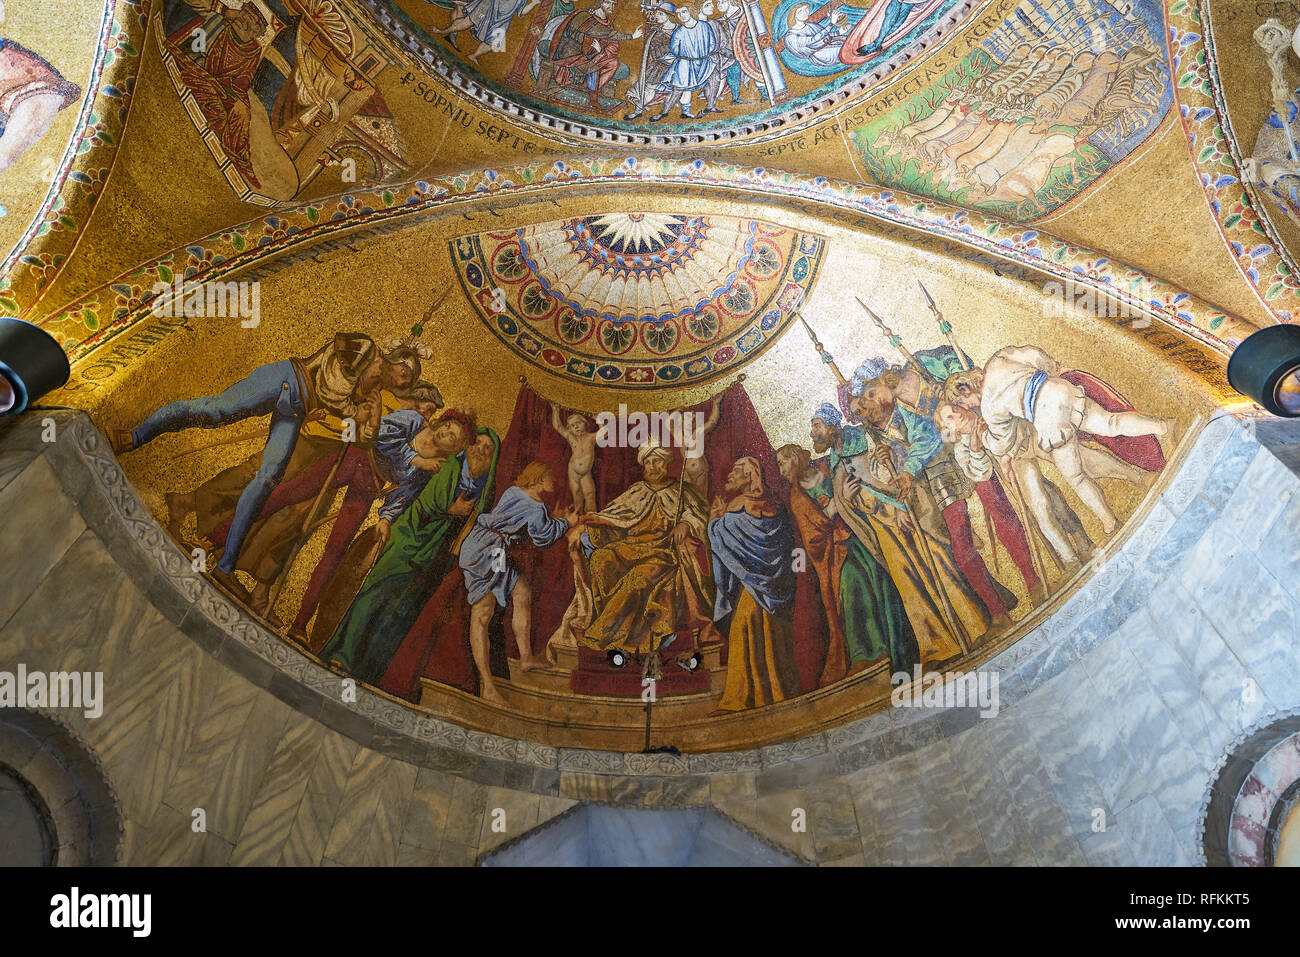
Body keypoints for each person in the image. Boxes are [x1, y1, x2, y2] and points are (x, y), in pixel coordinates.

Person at [112, 334, 418, 586]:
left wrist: (372, 417)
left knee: (266, 480)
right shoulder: (365, 348)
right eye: (406, 374)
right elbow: (330, 385)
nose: (403, 382)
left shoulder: (375, 396)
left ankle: (225, 565)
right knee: (213, 410)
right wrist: (353, 411)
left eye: (408, 382)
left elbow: (363, 439)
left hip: (295, 410)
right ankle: (134, 437)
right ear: (396, 362)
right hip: (285, 379)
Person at [321, 424, 499, 684]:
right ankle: (342, 654)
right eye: (478, 444)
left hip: (431, 561)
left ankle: (367, 670)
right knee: (373, 597)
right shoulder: (447, 466)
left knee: (398, 612)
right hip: (407, 542)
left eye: (488, 449)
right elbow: (426, 502)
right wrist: (451, 509)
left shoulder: (483, 490)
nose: (481, 451)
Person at [810, 403, 986, 664]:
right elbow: (846, 497)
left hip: (902, 512)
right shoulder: (835, 460)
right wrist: (846, 499)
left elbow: (896, 462)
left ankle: (973, 627)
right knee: (909, 585)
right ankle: (939, 647)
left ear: (832, 423)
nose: (813, 433)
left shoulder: (863, 436)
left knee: (937, 564)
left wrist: (902, 504)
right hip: (879, 526)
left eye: (817, 425)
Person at [950, 345, 1171, 535]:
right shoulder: (997, 359)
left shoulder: (989, 406)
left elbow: (1002, 443)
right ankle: (1163, 427)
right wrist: (1052, 369)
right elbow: (1034, 355)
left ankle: (1110, 523)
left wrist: (983, 436)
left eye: (964, 401)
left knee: (1076, 477)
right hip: (1058, 389)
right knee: (1110, 423)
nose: (968, 406)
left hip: (1048, 418)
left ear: (966, 389)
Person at [554, 441, 715, 669]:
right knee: (601, 560)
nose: (652, 466)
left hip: (660, 553)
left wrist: (685, 524)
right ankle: (606, 622)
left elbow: (698, 513)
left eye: (657, 460)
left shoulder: (680, 491)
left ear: (667, 462)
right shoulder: (637, 491)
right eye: (648, 462)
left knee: (637, 579)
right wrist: (586, 527)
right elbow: (613, 517)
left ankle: (599, 633)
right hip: (629, 548)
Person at [776, 443, 918, 683]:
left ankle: (902, 656)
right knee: (852, 585)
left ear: (797, 457)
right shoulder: (797, 496)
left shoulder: (828, 468)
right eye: (778, 465)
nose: (781, 470)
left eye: (782, 462)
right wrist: (835, 506)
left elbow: (862, 484)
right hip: (837, 554)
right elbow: (811, 540)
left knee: (884, 580)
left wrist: (850, 499)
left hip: (862, 534)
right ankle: (868, 655)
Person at [459, 461, 579, 704]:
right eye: (549, 476)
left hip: (491, 548)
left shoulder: (515, 492)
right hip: (486, 552)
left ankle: (525, 657)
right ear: (538, 477)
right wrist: (567, 523)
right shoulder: (536, 507)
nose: (553, 482)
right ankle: (487, 686)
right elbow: (542, 537)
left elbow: (526, 523)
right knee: (483, 612)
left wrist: (552, 519)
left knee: (521, 590)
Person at [937, 400, 1094, 574]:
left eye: (955, 408)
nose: (958, 414)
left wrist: (1006, 452)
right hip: (1011, 481)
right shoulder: (962, 448)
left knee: (1051, 499)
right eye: (950, 418)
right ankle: (1070, 557)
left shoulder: (983, 411)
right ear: (950, 430)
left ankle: (1083, 543)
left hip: (1022, 453)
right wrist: (975, 450)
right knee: (1041, 507)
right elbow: (981, 474)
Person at [707, 458, 801, 712]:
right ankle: (775, 693)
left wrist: (714, 522)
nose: (730, 475)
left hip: (753, 589)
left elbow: (726, 541)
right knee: (769, 634)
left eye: (736, 471)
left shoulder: (737, 507)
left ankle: (743, 697)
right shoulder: (776, 504)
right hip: (777, 588)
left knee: (743, 627)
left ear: (750, 474)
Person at [651, 1, 718, 120]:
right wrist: (689, 55)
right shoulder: (679, 32)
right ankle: (664, 112)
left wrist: (702, 54)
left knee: (714, 77)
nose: (681, 15)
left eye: (684, 12)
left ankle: (710, 106)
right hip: (685, 64)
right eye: (678, 13)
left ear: (691, 11)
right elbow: (674, 49)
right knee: (678, 89)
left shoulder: (704, 26)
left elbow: (712, 43)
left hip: (703, 61)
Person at [427, 0, 541, 65]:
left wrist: (534, 3)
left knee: (494, 44)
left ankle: (473, 56)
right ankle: (442, 31)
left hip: (503, 20)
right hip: (490, 5)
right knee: (469, 21)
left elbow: (521, 12)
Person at [549, 403, 598, 512]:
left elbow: (605, 433)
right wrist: (555, 410)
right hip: (573, 471)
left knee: (590, 496)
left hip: (585, 473)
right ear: (570, 429)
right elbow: (558, 426)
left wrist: (597, 419)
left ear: (585, 424)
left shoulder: (591, 438)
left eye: (578, 423)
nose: (576, 426)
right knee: (577, 497)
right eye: (572, 425)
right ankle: (579, 522)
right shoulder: (571, 438)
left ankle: (591, 523)